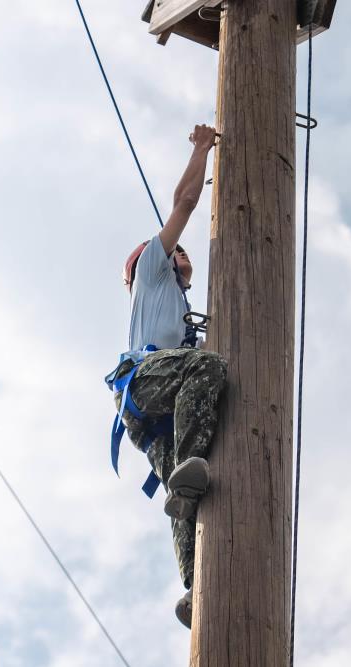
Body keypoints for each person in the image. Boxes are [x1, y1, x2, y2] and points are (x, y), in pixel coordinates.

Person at [104, 124, 227, 629]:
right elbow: (185, 202)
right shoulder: (153, 270)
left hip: (149, 413)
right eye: (176, 250)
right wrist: (202, 149)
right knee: (207, 365)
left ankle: (194, 587)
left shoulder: (176, 307)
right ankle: (191, 460)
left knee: (187, 494)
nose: (182, 252)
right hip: (145, 381)